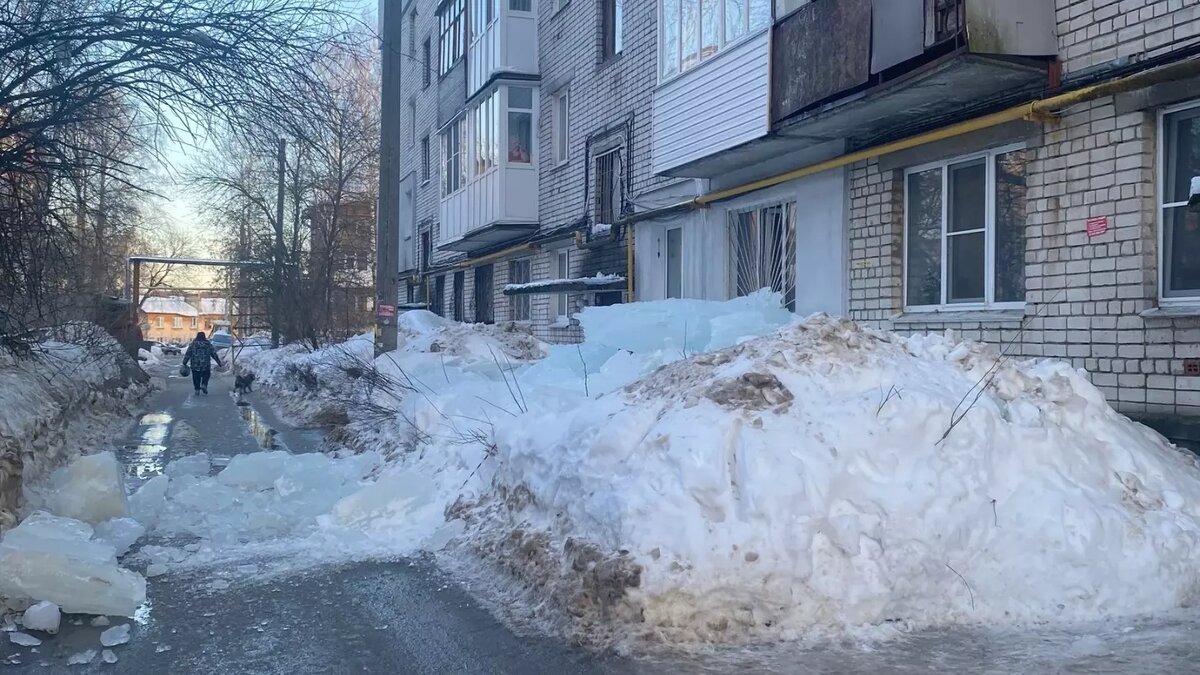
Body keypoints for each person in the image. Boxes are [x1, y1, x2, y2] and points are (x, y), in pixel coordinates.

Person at [182, 331, 222, 395]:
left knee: (196, 377)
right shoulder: (208, 344)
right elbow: (214, 354)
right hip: (205, 364)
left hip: (195, 364)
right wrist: (219, 362)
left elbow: (188, 354)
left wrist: (184, 362)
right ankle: (204, 384)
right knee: (206, 375)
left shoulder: (193, 344)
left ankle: (197, 389)